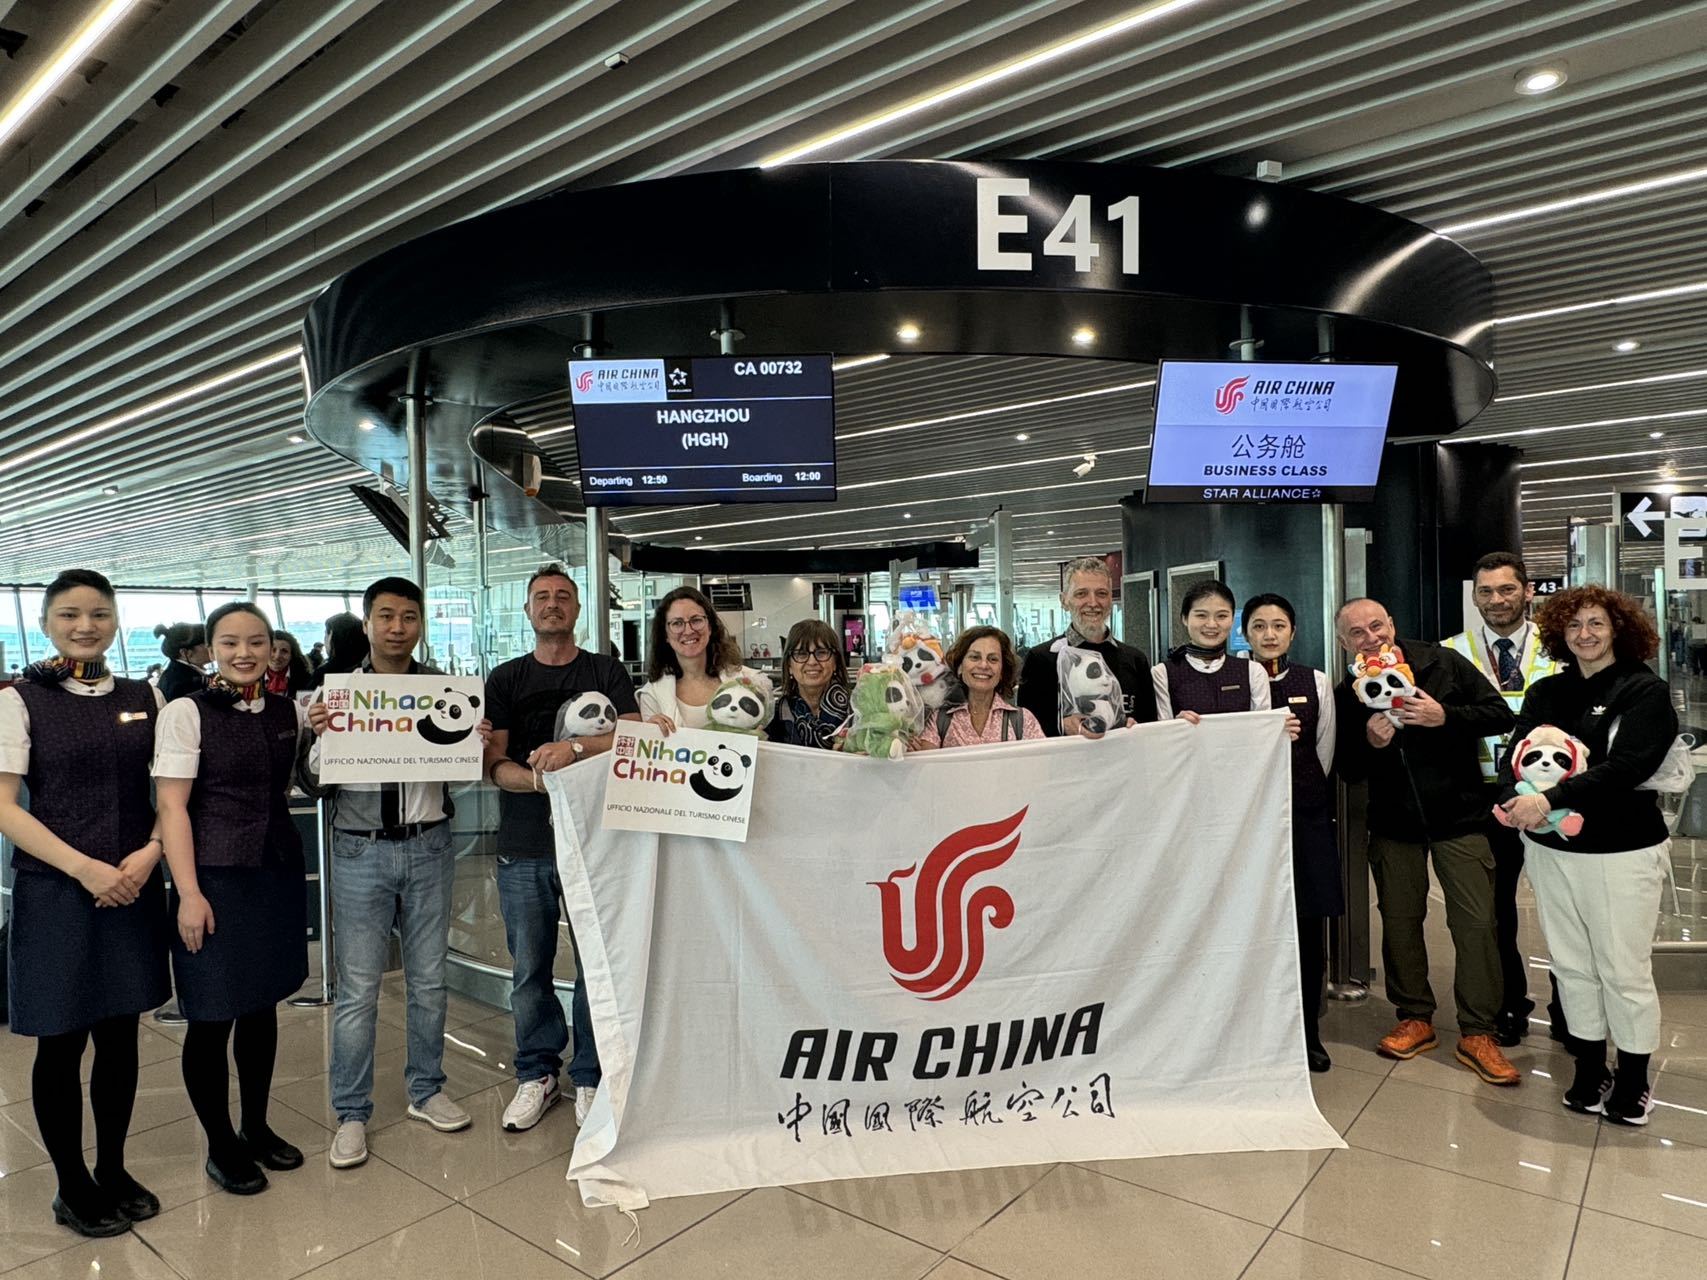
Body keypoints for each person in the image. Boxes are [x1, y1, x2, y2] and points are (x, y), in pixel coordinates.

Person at [0, 569, 171, 1237]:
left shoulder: (146, 696)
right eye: (69, 614)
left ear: (116, 621)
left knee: (121, 1034)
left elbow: (172, 792)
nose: (85, 625)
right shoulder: (20, 701)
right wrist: (83, 869)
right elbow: (5, 807)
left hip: (131, 883)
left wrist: (151, 851)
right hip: (57, 892)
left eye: (98, 613)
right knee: (62, 1040)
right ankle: (71, 1185)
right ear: (46, 624)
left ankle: (113, 1168)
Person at [303, 577, 488, 1171]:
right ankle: (351, 1111)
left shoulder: (443, 693)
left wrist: (473, 744)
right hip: (360, 850)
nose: (397, 627)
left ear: (420, 625)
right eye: (385, 616)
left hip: (430, 845)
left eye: (408, 616)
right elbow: (313, 783)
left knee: (429, 981)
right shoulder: (339, 696)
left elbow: (459, 773)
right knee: (358, 989)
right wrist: (318, 735)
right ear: (366, 624)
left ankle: (426, 1090)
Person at [1499, 586, 1677, 1125]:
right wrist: (1520, 801)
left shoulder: (1643, 691)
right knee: (1572, 965)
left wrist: (1547, 799)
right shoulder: (1547, 691)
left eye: (1596, 623)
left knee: (1622, 968)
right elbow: (1515, 756)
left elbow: (1628, 767)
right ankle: (1590, 1067)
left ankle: (1634, 1078)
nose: (1585, 634)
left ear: (1618, 628)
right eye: (1574, 625)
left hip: (1622, 851)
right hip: (1552, 849)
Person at [153, 601, 308, 1195]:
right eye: (230, 643)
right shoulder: (187, 713)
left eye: (256, 642)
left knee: (262, 1007)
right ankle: (220, 1144)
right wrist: (188, 893)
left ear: (272, 648)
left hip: (274, 873)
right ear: (211, 649)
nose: (244, 653)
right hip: (214, 879)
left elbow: (296, 782)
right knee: (212, 1015)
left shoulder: (287, 710)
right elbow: (172, 808)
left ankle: (256, 1127)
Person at [1333, 597, 1520, 1086]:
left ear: (1392, 623)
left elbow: (1499, 714)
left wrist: (1445, 716)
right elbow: (1346, 767)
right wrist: (1371, 743)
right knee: (1399, 921)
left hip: (1460, 817)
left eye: (1377, 625)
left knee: (1477, 923)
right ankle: (1414, 1015)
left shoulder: (1442, 662)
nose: (1371, 638)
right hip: (1394, 825)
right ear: (1344, 643)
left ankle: (1479, 1030)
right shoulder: (1348, 691)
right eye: (1357, 633)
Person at [483, 565, 639, 1131]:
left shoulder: (605, 670)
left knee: (596, 963)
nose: (552, 604)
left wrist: (572, 751)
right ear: (528, 610)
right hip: (525, 844)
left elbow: (633, 737)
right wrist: (538, 782)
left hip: (596, 844)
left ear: (577, 609)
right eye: (542, 597)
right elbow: (493, 764)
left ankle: (591, 1074)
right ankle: (537, 1072)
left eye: (563, 596)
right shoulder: (506, 678)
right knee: (530, 968)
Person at [1442, 551, 1565, 1046]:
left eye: (1507, 589)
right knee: (1495, 912)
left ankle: (1569, 1008)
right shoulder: (1451, 651)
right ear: (1474, 597)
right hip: (1483, 800)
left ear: (1528, 591)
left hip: (1553, 800)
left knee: (1562, 909)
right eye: (1486, 591)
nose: (1497, 600)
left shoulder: (1560, 648)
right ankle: (1508, 1004)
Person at [1243, 593, 1341, 1073]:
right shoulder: (1234, 680)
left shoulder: (1315, 681)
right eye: (1259, 625)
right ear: (1245, 633)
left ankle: (1307, 1033)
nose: (1269, 634)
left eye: (1278, 625)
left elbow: (1324, 752)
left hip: (1303, 817)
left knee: (1306, 927)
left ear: (1293, 631)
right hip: (1248, 824)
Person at [1017, 556, 1158, 736]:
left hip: (1123, 754)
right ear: (1064, 601)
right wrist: (1061, 726)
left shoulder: (1135, 659)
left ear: (1111, 599)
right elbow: (1025, 729)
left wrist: (1136, 727)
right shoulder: (1041, 659)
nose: (1092, 603)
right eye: (1081, 594)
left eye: (1101, 593)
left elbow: (1151, 726)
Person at [639, 587, 764, 734]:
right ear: (665, 634)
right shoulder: (651, 695)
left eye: (696, 620)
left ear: (710, 627)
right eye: (677, 623)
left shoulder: (750, 680)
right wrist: (649, 733)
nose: (688, 631)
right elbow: (652, 747)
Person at [1152, 580, 1271, 721]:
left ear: (1232, 620)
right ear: (1184, 618)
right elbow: (1161, 730)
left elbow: (1264, 727)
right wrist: (1176, 725)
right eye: (1201, 615)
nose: (1212, 624)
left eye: (1222, 616)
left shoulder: (1253, 671)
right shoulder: (1162, 674)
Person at [914, 626, 1045, 748]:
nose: (983, 665)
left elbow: (1041, 761)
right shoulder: (938, 719)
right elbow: (927, 762)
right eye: (975, 657)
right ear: (960, 667)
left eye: (993, 659)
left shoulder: (1024, 721)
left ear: (1002, 671)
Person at [768, 619, 852, 748]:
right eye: (801, 654)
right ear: (789, 665)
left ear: (835, 662)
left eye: (821, 653)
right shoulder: (773, 716)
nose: (812, 662)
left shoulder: (858, 711)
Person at [311, 612, 370, 688]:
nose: (324, 641)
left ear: (332, 636)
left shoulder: (324, 675)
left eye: (326, 634)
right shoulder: (370, 668)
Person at [153, 622, 207, 702]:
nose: (212, 647)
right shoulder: (185, 684)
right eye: (206, 643)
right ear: (185, 653)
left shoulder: (173, 674)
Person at [265, 630, 312, 699]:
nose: (277, 656)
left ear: (292, 656)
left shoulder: (306, 680)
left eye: (284, 651)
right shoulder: (252, 678)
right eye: (273, 650)